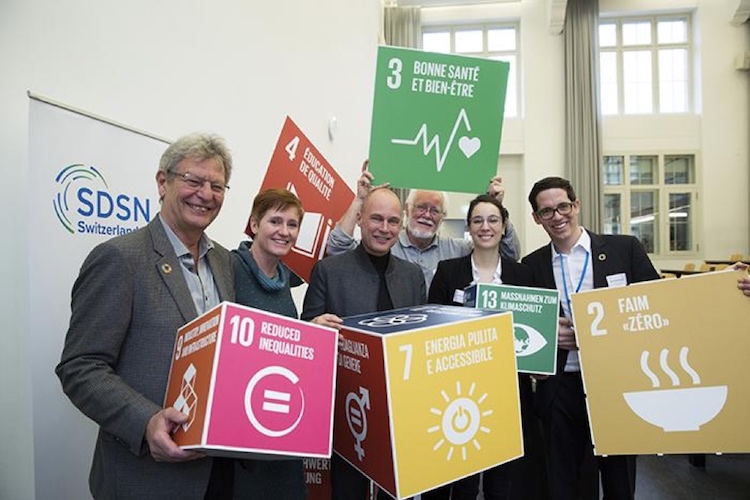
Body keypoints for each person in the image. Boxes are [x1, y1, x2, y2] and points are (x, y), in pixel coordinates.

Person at [56, 133, 238, 499]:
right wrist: (146, 421)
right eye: (193, 180)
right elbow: (80, 366)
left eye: (216, 185)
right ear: (162, 181)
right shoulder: (120, 258)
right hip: (145, 478)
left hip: (217, 472)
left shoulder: (224, 260)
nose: (205, 193)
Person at [521, 177, 660, 500]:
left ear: (576, 205)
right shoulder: (531, 266)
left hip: (615, 383)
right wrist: (549, 335)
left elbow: (659, 303)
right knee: (563, 483)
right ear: (536, 218)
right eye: (546, 211)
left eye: (563, 207)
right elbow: (526, 328)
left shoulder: (624, 249)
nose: (557, 216)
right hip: (560, 388)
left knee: (619, 481)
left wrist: (725, 284)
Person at [301, 187, 426, 500]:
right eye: (376, 219)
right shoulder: (328, 271)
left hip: (401, 408)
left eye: (393, 221)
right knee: (348, 489)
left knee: (399, 490)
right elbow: (307, 335)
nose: (384, 229)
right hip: (348, 407)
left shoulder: (413, 275)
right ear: (359, 219)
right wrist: (315, 327)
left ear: (402, 224)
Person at [426, 194, 541, 500]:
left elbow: (535, 333)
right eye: (478, 220)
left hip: (508, 394)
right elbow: (431, 332)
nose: (485, 226)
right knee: (461, 480)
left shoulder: (523, 275)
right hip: (458, 394)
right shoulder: (448, 271)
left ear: (504, 226)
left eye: (493, 220)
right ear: (469, 227)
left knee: (502, 482)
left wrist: (539, 367)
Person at [326, 167, 522, 289]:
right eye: (421, 207)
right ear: (407, 210)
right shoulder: (384, 244)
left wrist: (497, 206)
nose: (427, 215)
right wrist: (360, 199)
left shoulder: (459, 250)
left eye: (435, 210)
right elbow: (337, 248)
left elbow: (509, 254)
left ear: (442, 218)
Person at [231, 188, 307, 499]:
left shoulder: (287, 278)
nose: (284, 232)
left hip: (281, 417)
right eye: (275, 221)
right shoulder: (229, 267)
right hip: (240, 422)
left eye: (292, 225)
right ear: (254, 223)